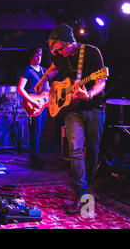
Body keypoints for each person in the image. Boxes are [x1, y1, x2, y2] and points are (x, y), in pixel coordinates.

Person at [34, 23, 106, 214]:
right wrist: (43, 80)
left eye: (58, 49)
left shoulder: (91, 52)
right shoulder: (59, 56)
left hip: (94, 108)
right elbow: (53, 67)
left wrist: (89, 94)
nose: (56, 53)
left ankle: (88, 185)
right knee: (74, 150)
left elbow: (101, 81)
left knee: (92, 151)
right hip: (72, 111)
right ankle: (81, 195)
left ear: (68, 43)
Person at [18, 47, 49, 168]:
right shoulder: (28, 70)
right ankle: (34, 156)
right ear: (31, 57)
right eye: (36, 55)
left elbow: (48, 90)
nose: (38, 58)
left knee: (40, 130)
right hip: (34, 102)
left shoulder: (45, 71)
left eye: (40, 55)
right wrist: (31, 101)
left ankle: (34, 154)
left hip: (43, 103)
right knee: (36, 130)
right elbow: (21, 88)